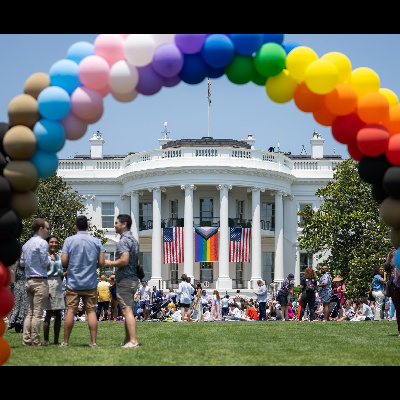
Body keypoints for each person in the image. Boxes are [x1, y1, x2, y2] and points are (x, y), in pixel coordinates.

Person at [61, 215, 105, 347]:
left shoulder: (69, 241)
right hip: (90, 282)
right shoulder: (96, 241)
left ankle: (65, 342)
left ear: (75, 226)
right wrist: (92, 267)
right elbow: (102, 262)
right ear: (88, 226)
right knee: (91, 311)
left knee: (71, 310)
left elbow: (63, 261)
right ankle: (93, 342)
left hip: (73, 282)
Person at [104, 214, 140, 348]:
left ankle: (134, 341)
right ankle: (127, 339)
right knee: (128, 309)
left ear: (124, 224)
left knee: (126, 311)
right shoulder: (134, 240)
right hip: (133, 278)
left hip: (125, 278)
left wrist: (108, 262)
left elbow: (124, 261)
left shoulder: (123, 240)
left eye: (116, 223)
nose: (114, 225)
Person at [20, 218, 51, 346]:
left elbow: (21, 263)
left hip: (28, 280)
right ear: (41, 229)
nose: (49, 231)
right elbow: (45, 263)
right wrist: (49, 259)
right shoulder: (43, 243)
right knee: (37, 314)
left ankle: (26, 340)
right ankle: (36, 341)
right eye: (48, 228)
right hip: (40, 280)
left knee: (29, 313)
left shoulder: (26, 244)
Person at [43, 235, 65, 345]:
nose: (54, 244)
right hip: (49, 283)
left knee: (58, 313)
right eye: (52, 242)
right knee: (49, 312)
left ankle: (56, 340)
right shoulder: (44, 256)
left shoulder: (59, 257)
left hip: (58, 284)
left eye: (56, 242)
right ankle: (46, 340)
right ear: (47, 243)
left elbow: (61, 272)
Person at [7, 262, 28, 333]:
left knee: (17, 304)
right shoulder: (26, 263)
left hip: (17, 285)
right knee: (24, 305)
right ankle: (22, 322)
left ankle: (15, 320)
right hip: (25, 284)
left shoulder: (14, 263)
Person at [384, 249, 400, 336]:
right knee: (398, 308)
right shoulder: (392, 254)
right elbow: (386, 268)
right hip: (393, 285)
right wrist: (389, 259)